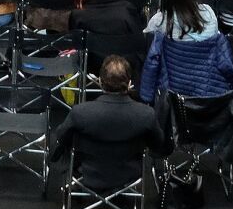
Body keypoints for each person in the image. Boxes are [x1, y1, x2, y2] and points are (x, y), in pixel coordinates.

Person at [48, 54, 171, 187]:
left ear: (100, 82)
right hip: (130, 173)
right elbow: (158, 145)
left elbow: (61, 138)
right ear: (130, 83)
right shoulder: (146, 114)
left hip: (87, 172)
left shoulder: (80, 112)